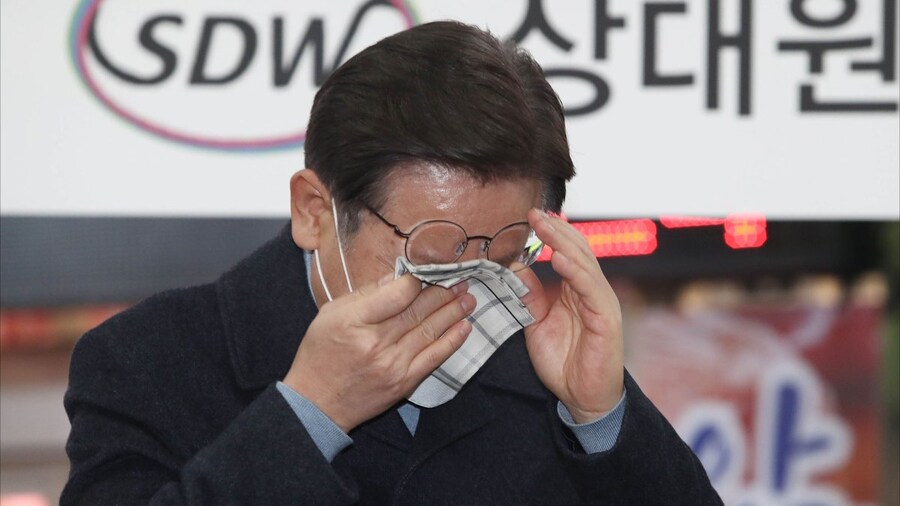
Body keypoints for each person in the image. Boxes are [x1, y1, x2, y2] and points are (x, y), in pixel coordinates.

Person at [62, 21, 722, 505]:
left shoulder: (537, 366)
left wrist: (600, 414)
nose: (467, 287)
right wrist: (310, 414)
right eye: (433, 254)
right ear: (315, 211)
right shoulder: (148, 360)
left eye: (501, 254)